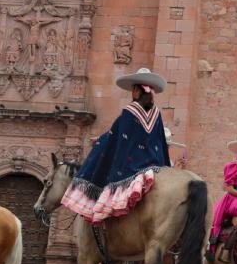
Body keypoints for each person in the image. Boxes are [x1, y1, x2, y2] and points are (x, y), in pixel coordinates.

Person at [61, 68, 170, 223]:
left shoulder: (129, 111)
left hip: (133, 164)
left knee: (102, 163)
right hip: (155, 163)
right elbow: (161, 141)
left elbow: (116, 136)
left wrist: (99, 141)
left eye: (133, 89)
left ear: (136, 91)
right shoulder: (157, 113)